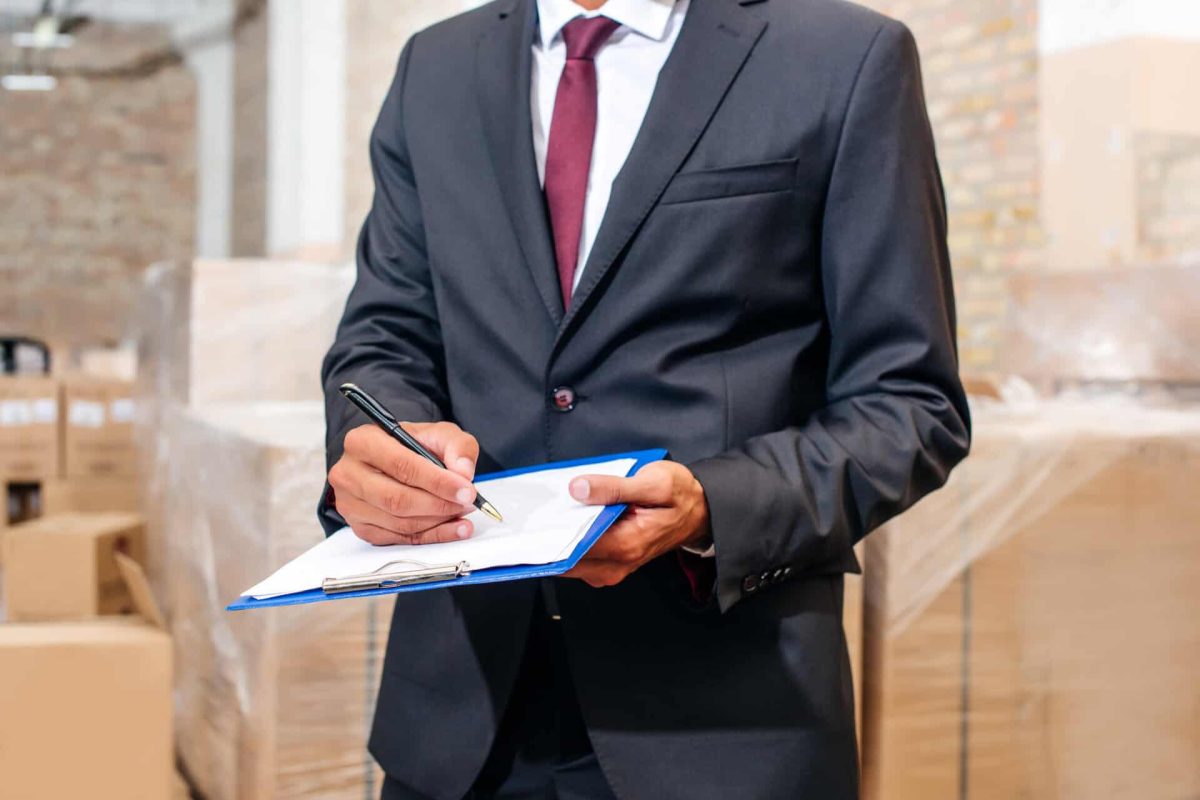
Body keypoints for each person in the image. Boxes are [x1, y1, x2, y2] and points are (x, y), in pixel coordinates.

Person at [319, 0, 971, 796]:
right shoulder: (436, 66)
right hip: (460, 725)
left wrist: (713, 508)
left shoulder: (844, 57)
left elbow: (910, 404)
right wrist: (375, 442)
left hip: (722, 729)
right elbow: (383, 337)